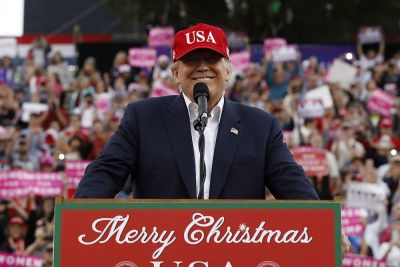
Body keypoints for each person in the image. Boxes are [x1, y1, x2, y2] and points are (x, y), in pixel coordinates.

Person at [75, 23, 318, 200]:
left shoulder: (261, 127)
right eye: (192, 60)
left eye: (211, 59)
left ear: (228, 71)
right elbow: (105, 172)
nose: (202, 66)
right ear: (176, 73)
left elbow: (290, 181)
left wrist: (324, 225)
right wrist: (78, 219)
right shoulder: (142, 118)